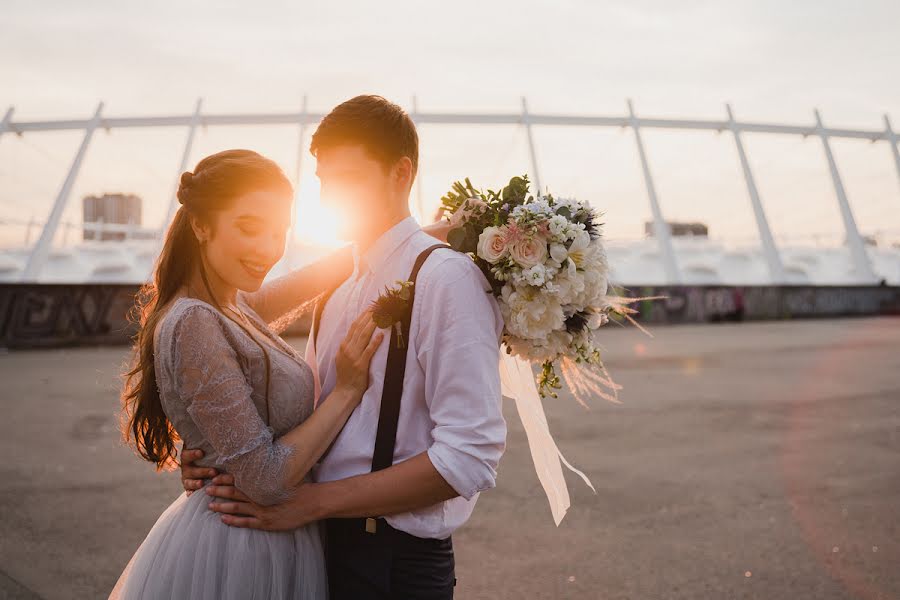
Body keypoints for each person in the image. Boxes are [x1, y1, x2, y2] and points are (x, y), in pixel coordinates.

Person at [180, 95, 507, 599]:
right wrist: (221, 449)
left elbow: (468, 456)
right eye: (324, 181)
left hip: (391, 563)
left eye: (348, 179)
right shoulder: (339, 284)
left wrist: (314, 502)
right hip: (315, 545)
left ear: (401, 174)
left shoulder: (445, 278)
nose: (332, 197)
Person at [111, 148, 393, 599]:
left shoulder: (228, 306)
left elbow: (310, 279)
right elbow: (263, 478)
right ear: (202, 225)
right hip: (243, 546)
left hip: (259, 536)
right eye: (249, 228)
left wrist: (422, 238)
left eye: (280, 231)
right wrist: (347, 389)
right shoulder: (195, 321)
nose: (268, 249)